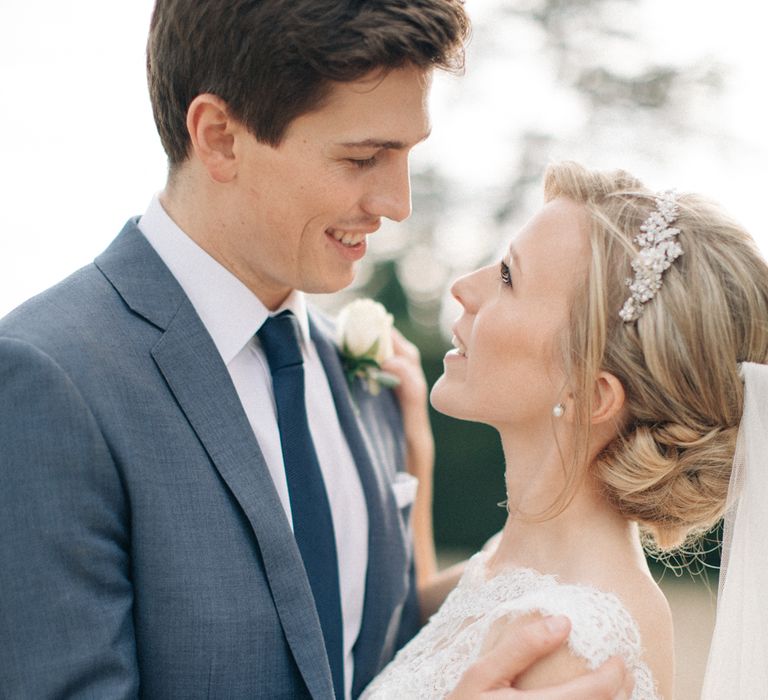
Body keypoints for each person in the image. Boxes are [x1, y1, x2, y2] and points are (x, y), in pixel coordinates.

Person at [0, 2, 632, 699]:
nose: (397, 202)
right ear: (220, 138)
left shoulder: (366, 381)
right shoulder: (48, 379)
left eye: (407, 154)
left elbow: (377, 660)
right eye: (363, 158)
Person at [364, 160, 768, 698]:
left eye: (508, 277)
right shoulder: (512, 561)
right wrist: (414, 446)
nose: (463, 287)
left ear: (587, 394)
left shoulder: (573, 647)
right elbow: (407, 610)